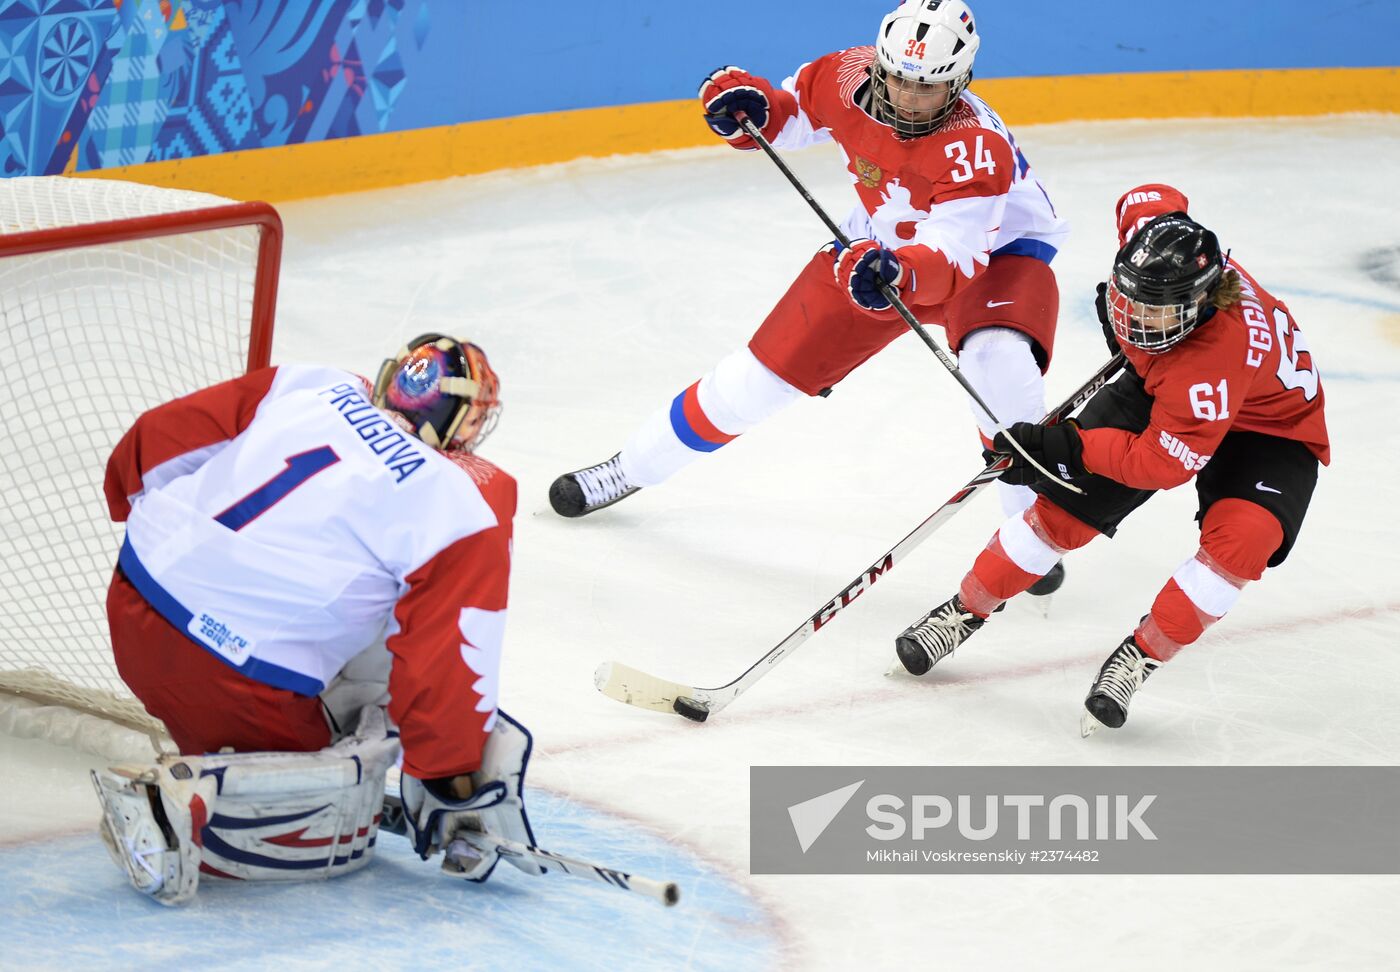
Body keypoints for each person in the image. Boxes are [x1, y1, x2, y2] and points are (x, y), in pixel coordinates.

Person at [548, 1, 1070, 593]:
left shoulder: (974, 148)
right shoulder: (844, 75)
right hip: (875, 247)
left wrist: (897, 272)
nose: (907, 98)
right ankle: (630, 467)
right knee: (753, 382)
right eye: (897, 79)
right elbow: (793, 115)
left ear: (959, 82)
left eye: (927, 88)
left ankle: (1029, 532)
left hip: (998, 255)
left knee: (997, 363)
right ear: (878, 65)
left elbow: (956, 256)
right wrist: (756, 112)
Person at [91, 334, 543, 904]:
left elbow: (155, 439)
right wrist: (447, 771)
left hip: (133, 596)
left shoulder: (314, 383)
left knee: (373, 596)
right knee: (326, 833)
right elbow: (447, 650)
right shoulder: (463, 497)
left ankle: (266, 733)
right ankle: (187, 798)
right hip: (232, 677)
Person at [892, 184, 1330, 735]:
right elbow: (1146, 198)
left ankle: (1142, 655)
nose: (1133, 316)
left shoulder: (1210, 362)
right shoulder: (1161, 255)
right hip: (1170, 387)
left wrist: (1067, 448)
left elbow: (1161, 464)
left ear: (1198, 304)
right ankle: (964, 610)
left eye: (1152, 310)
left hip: (1270, 431)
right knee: (1060, 515)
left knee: (1242, 545)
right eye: (1130, 298)